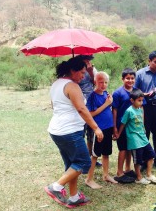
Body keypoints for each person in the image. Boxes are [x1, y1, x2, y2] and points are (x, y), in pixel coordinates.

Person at [45, 57, 103, 209]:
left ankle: (74, 196)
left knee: (72, 164)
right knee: (83, 162)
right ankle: (56, 187)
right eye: (82, 73)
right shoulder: (72, 86)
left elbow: (55, 106)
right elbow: (82, 109)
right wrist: (96, 128)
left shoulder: (56, 84)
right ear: (72, 70)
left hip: (57, 130)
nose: (83, 76)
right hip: (70, 131)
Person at [117, 89, 156, 185]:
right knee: (138, 159)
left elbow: (141, 120)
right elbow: (123, 123)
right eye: (139, 101)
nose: (141, 103)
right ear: (132, 100)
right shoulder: (129, 111)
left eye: (142, 100)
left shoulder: (140, 109)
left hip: (142, 137)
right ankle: (139, 177)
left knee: (151, 155)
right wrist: (119, 134)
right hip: (134, 139)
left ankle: (149, 174)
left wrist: (144, 129)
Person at [85, 71, 118, 189]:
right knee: (95, 155)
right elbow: (90, 114)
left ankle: (106, 175)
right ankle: (89, 179)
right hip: (98, 129)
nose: (103, 85)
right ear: (95, 82)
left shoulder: (106, 93)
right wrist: (106, 104)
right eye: (100, 82)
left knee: (106, 153)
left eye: (105, 82)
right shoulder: (92, 96)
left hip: (108, 128)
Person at [112, 68, 138, 183]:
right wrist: (115, 128)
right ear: (122, 79)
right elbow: (115, 110)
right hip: (121, 125)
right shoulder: (118, 93)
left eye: (132, 78)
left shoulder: (136, 91)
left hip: (132, 126)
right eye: (127, 78)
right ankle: (119, 172)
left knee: (129, 148)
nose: (130, 80)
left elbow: (141, 107)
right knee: (122, 148)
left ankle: (127, 169)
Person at [76, 54, 102, 167]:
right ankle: (80, 158)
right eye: (85, 60)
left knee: (91, 134)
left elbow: (96, 83)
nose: (88, 62)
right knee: (80, 132)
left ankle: (90, 157)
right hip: (80, 104)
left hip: (91, 103)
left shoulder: (92, 68)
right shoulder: (75, 69)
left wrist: (91, 71)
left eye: (89, 60)